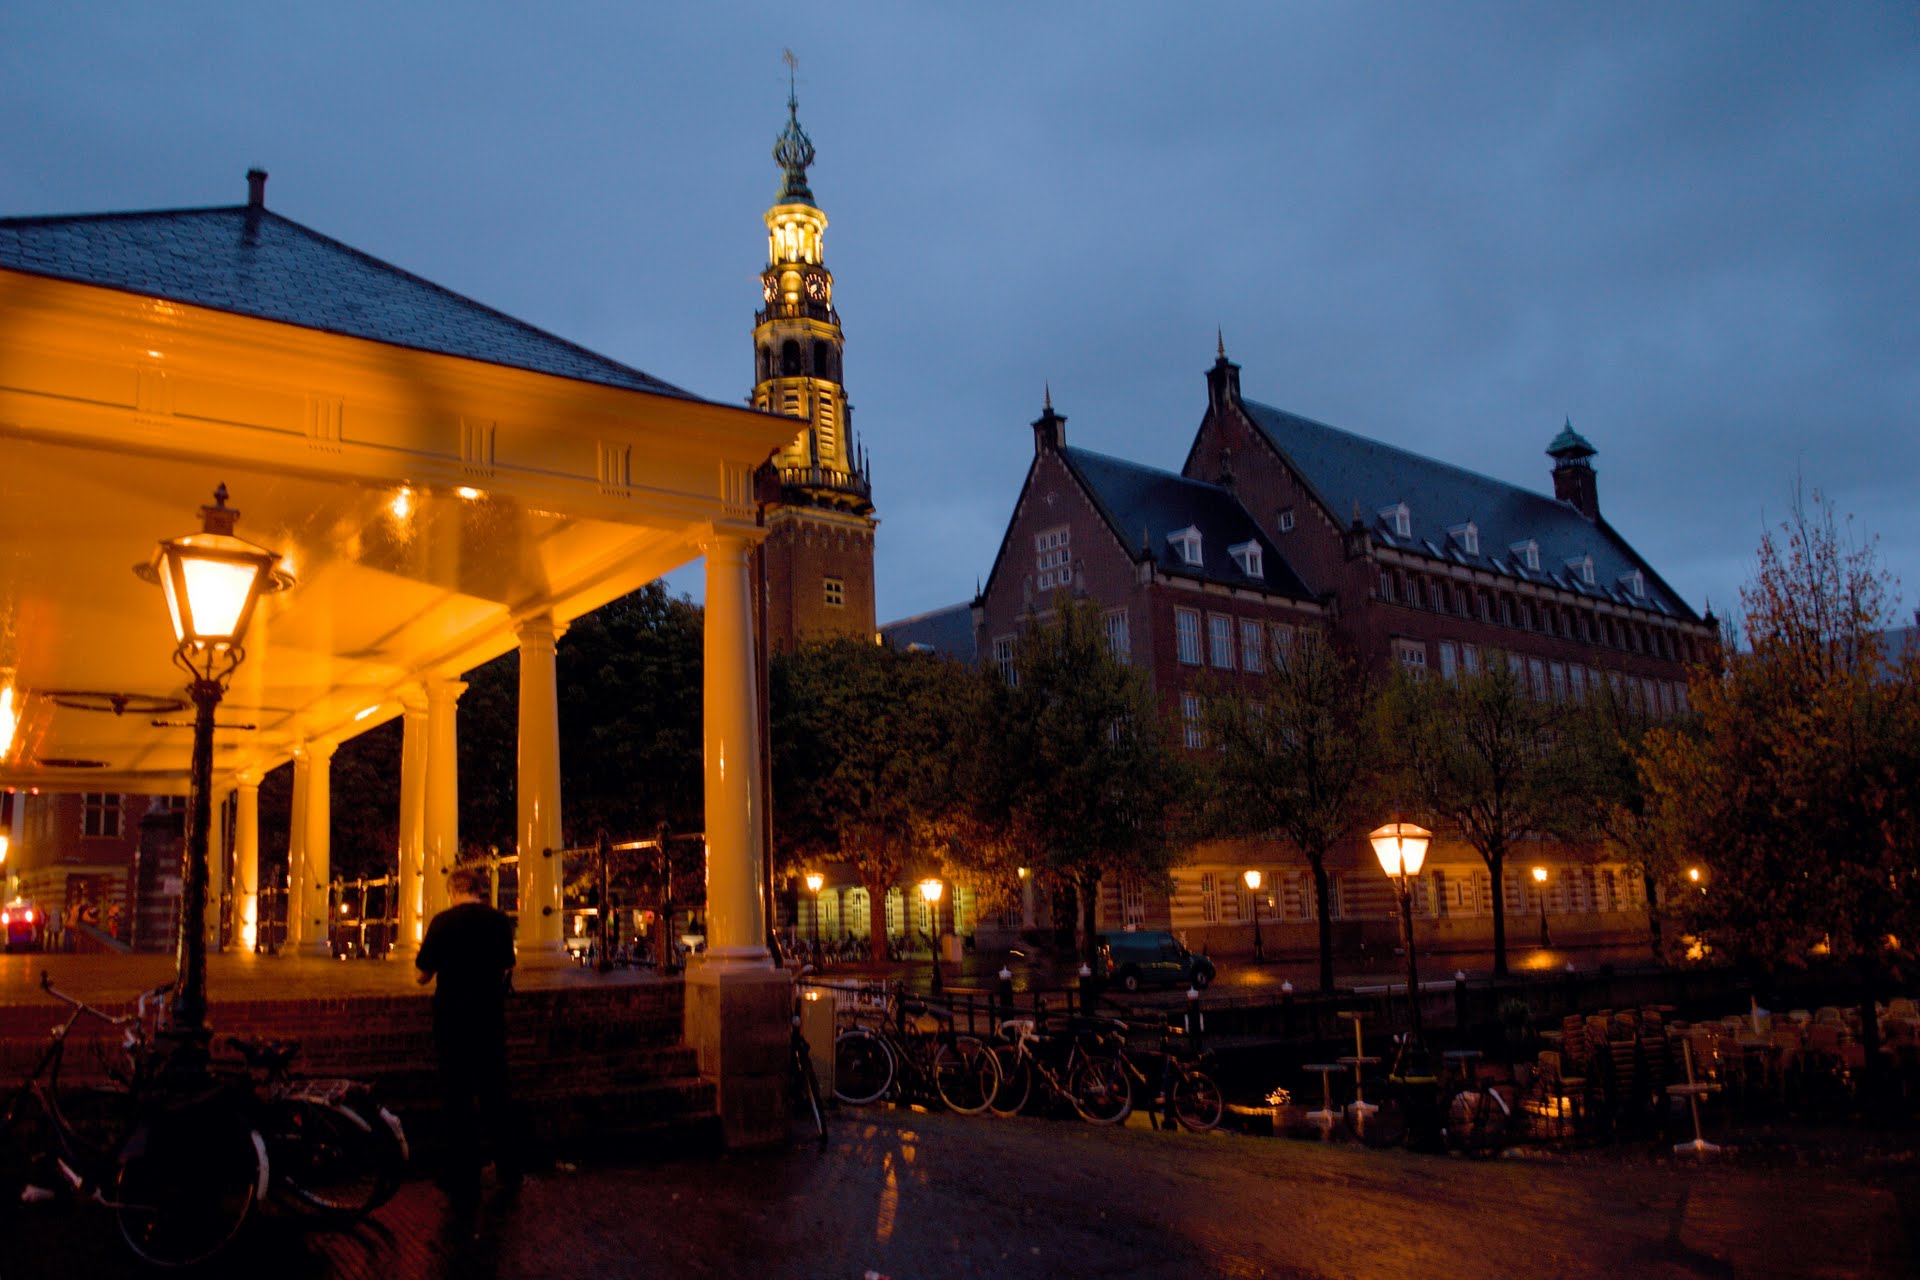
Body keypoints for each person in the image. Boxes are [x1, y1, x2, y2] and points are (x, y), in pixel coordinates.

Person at [415, 865, 521, 1201]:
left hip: (452, 1016)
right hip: (489, 1014)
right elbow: (507, 964)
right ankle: (508, 1169)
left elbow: (422, 973)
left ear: (452, 891)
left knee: (457, 1095)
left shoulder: (442, 922)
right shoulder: (499, 921)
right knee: (495, 1092)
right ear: (479, 890)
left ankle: (463, 1172)